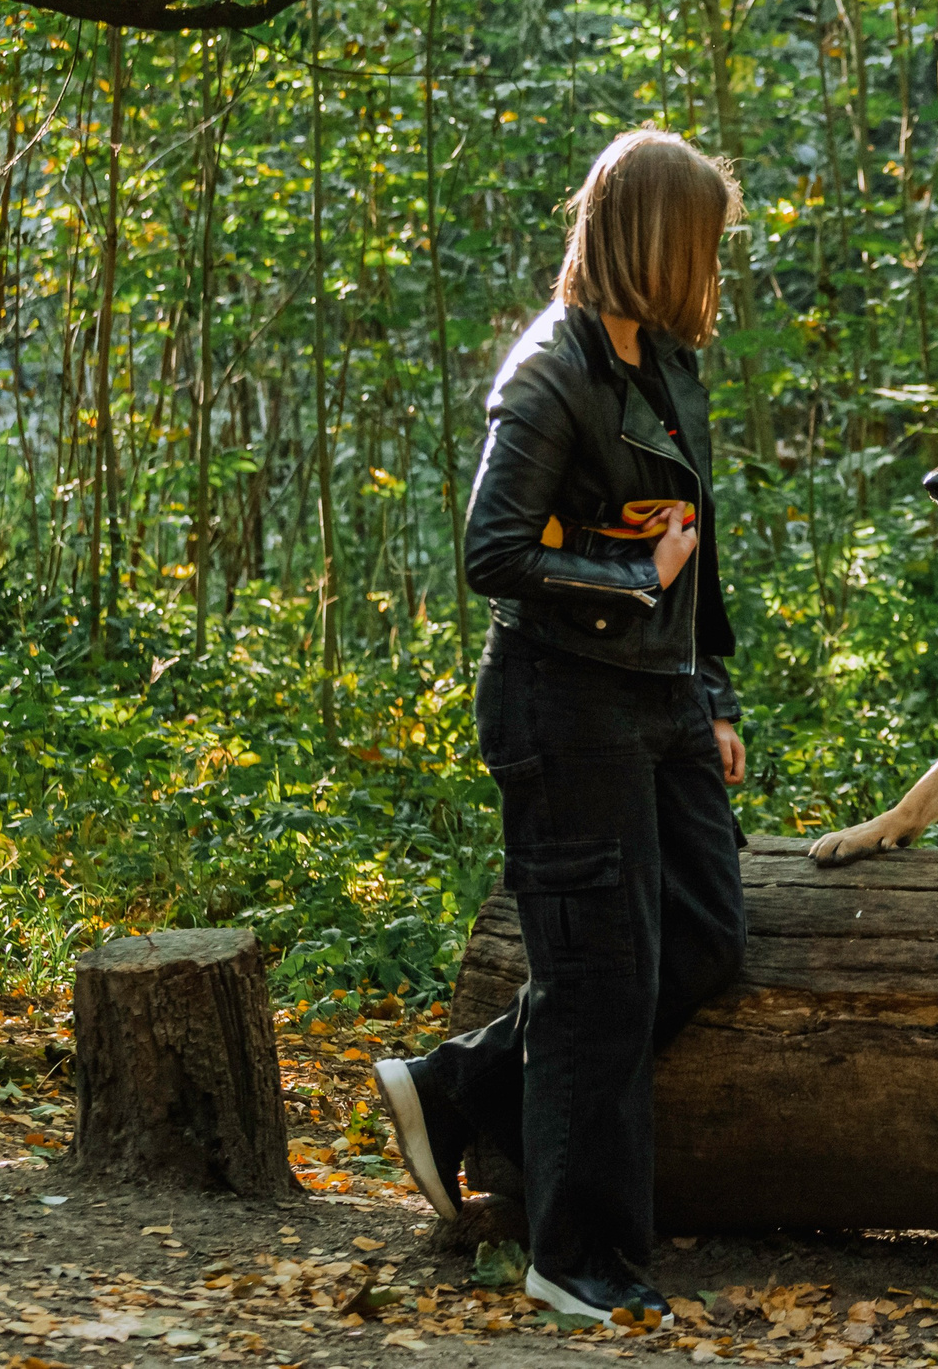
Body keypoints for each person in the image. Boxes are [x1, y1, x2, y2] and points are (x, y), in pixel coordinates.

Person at [371, 128, 750, 1324]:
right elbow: (493, 551)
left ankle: (461, 1083)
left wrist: (715, 692)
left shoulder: (668, 362)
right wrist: (631, 573)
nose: (715, 269)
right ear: (655, 240)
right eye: (705, 245)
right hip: (563, 703)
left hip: (662, 700)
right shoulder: (550, 370)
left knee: (700, 946)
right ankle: (579, 1257)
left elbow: (696, 542)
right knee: (600, 982)